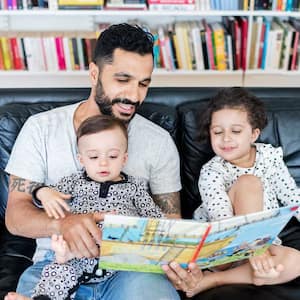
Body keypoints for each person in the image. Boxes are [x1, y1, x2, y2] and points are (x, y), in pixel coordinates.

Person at [5, 23, 181, 300]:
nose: (134, 96)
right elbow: (15, 216)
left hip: (131, 269)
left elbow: (170, 220)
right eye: (123, 80)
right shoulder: (40, 128)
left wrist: (182, 263)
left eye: (143, 83)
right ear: (94, 73)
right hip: (57, 263)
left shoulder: (158, 142)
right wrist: (62, 224)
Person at [6, 114, 168, 300]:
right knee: (59, 270)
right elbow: (48, 197)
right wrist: (42, 191)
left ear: (124, 159)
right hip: (77, 252)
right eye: (93, 156)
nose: (103, 162)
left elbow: (155, 218)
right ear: (81, 159)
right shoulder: (75, 181)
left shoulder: (135, 187)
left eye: (113, 156)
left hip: (120, 258)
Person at [163, 87, 300, 298]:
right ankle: (246, 264)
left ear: (254, 134)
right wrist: (253, 248)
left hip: (261, 244)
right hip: (223, 245)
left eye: (235, 131)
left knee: (295, 261)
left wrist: (260, 248)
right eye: (218, 132)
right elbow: (222, 219)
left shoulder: (269, 157)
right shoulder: (212, 171)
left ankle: (211, 281)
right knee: (249, 183)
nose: (226, 139)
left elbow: (292, 195)